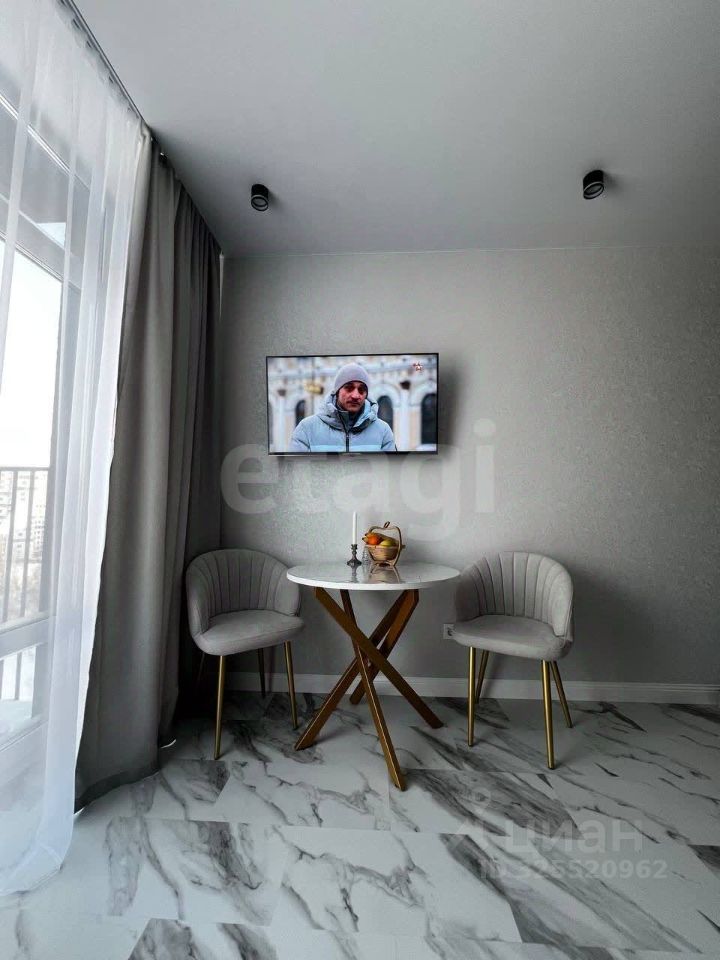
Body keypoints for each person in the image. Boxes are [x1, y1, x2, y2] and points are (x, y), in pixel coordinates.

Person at [289, 362, 396, 452]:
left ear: (366, 394)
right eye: (349, 388)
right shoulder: (306, 429)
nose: (355, 395)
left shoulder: (383, 431)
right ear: (337, 391)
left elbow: (391, 469)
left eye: (361, 390)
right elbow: (296, 468)